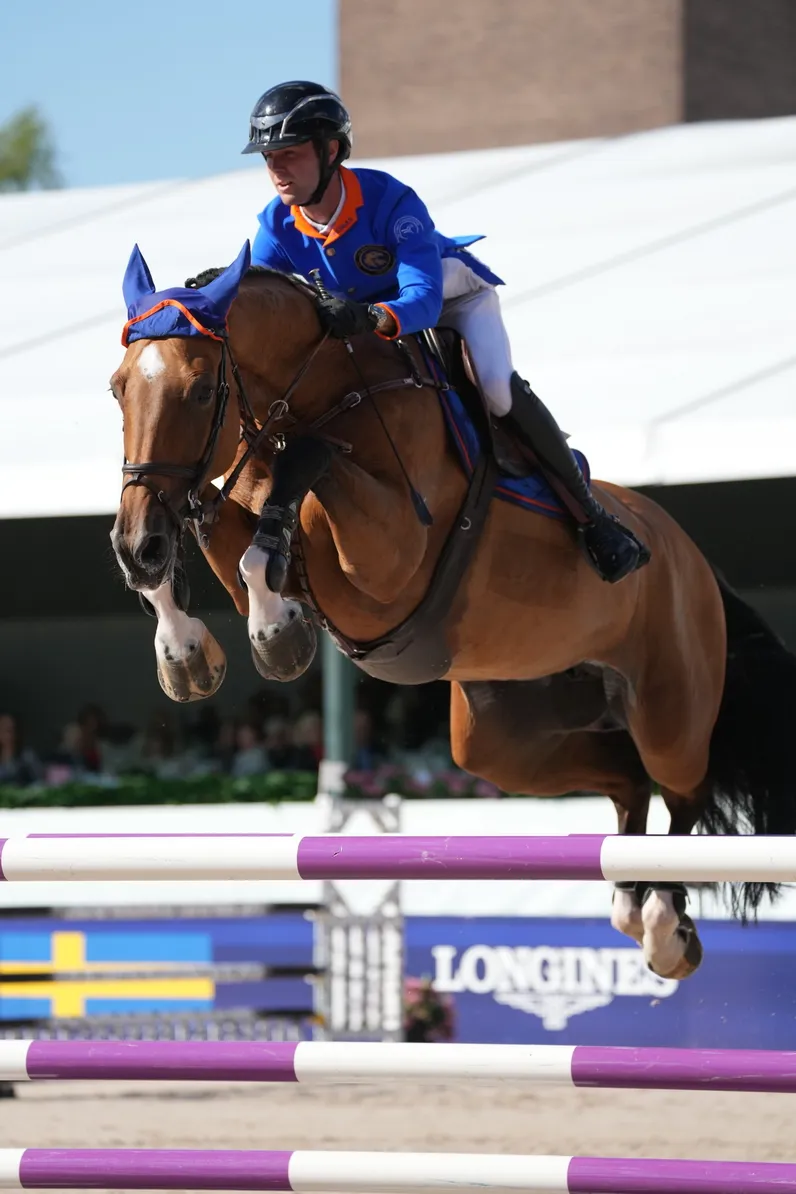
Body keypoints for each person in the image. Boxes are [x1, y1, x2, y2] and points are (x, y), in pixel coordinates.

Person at [242, 81, 650, 584]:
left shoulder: (390, 200)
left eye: (290, 154)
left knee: (497, 392)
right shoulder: (275, 224)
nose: (277, 169)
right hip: (365, 318)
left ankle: (594, 520)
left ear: (331, 150)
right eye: (268, 158)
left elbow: (422, 300)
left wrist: (370, 318)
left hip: (453, 302)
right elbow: (265, 301)